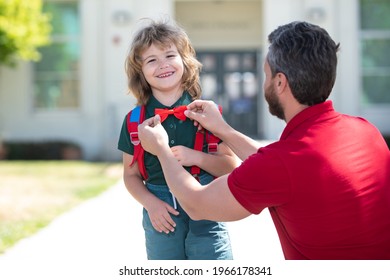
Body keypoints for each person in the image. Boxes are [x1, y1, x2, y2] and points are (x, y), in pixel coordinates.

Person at [137, 21, 390, 260]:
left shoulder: (281, 164)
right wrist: (223, 129)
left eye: (266, 75)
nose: (264, 82)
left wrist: (161, 149)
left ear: (280, 82)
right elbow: (282, 164)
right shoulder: (366, 130)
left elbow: (197, 205)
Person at [117, 19, 239, 260]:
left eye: (169, 55)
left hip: (207, 209)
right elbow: (130, 176)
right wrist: (151, 204)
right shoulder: (134, 121)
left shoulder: (206, 113)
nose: (162, 65)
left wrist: (196, 157)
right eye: (151, 60)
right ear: (140, 71)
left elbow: (230, 166)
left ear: (185, 60)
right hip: (161, 215)